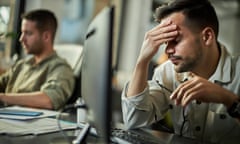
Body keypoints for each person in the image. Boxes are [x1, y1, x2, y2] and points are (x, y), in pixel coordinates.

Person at [121, 0, 240, 143]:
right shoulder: (167, 73)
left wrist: (228, 99)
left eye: (176, 41)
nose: (167, 50)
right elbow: (134, 120)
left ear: (207, 36)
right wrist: (142, 61)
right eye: (166, 42)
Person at [0, 9, 75, 110]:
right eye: (22, 33)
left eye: (28, 33)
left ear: (46, 36)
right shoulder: (22, 64)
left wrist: (3, 98)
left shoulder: (61, 68)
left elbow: (49, 99)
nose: (21, 39)